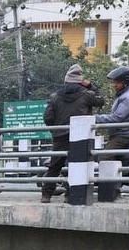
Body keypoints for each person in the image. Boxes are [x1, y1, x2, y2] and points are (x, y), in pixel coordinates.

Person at [41, 64, 105, 203]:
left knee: (54, 166)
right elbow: (101, 101)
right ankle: (70, 195)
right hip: (79, 136)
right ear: (80, 80)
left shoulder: (55, 96)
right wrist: (92, 87)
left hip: (59, 136)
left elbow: (47, 118)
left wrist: (56, 129)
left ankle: (46, 195)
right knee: (75, 165)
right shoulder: (87, 95)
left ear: (66, 80)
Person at [95, 66, 129, 175]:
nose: (114, 85)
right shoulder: (125, 94)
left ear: (125, 82)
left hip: (124, 134)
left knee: (104, 157)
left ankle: (108, 186)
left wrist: (95, 118)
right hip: (123, 133)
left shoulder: (128, 97)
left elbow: (116, 118)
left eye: (117, 82)